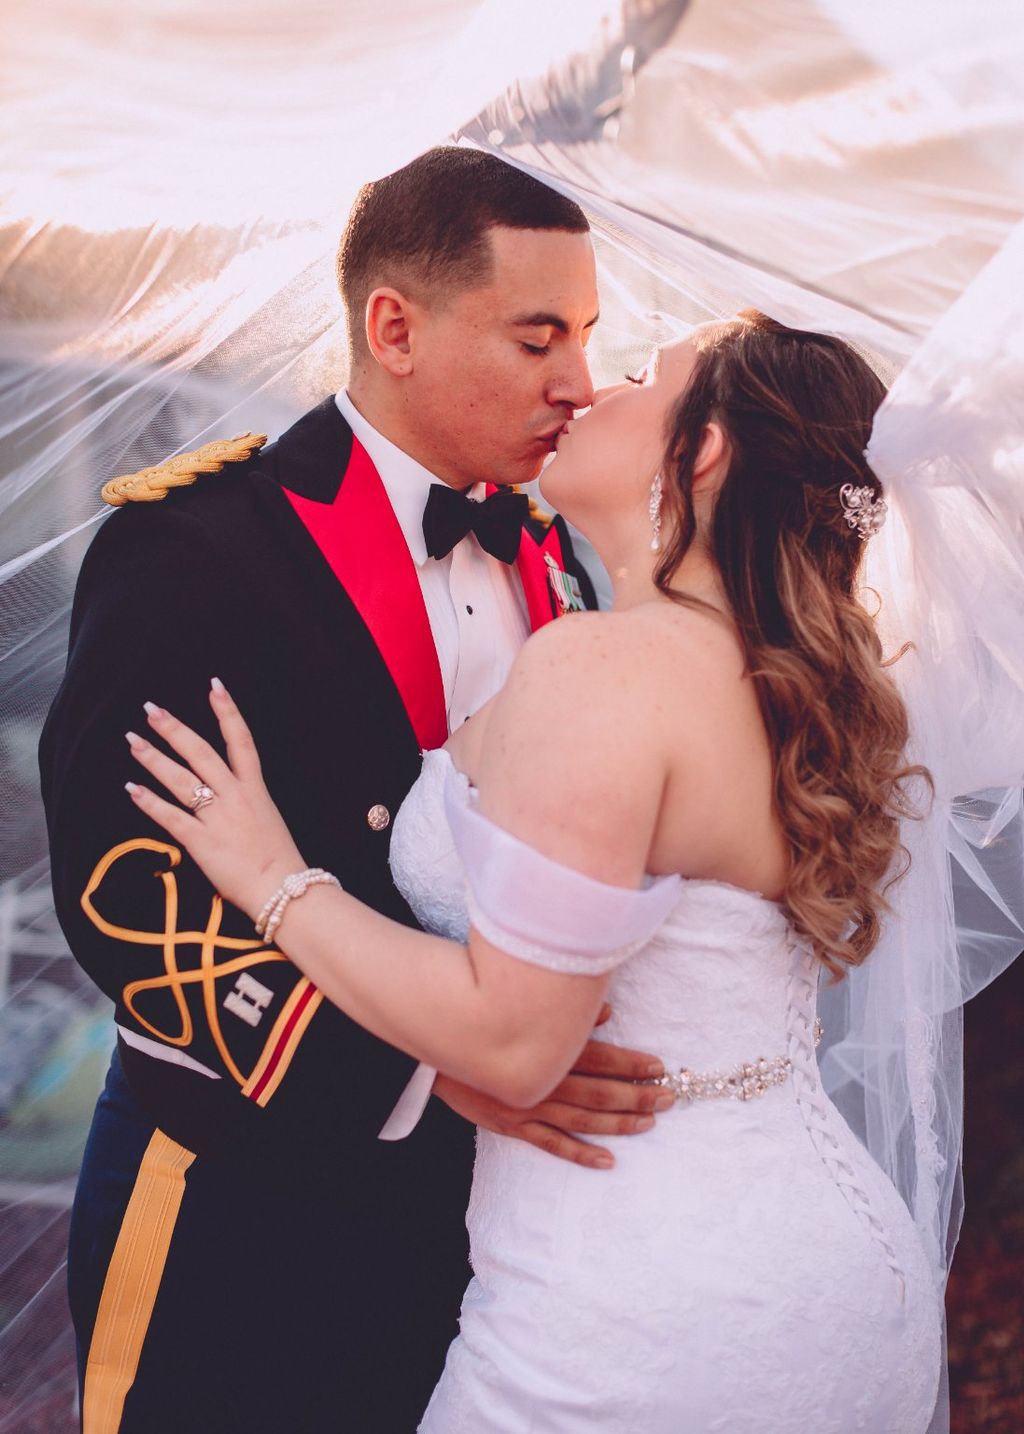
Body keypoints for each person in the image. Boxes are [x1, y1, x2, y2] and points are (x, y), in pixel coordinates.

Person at [125, 311, 946, 1432]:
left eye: (638, 375)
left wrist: (275, 878)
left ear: (703, 449)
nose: (590, 388)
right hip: (833, 1275)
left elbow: (515, 1044)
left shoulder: (603, 666)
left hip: (639, 1314)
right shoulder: (799, 686)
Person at [38, 147, 672, 1434]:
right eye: (537, 337)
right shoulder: (196, 546)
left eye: (586, 336)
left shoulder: (554, 552)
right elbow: (124, 881)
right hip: (244, 1200)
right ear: (395, 329)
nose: (577, 381)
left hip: (497, 1223)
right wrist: (424, 1073)